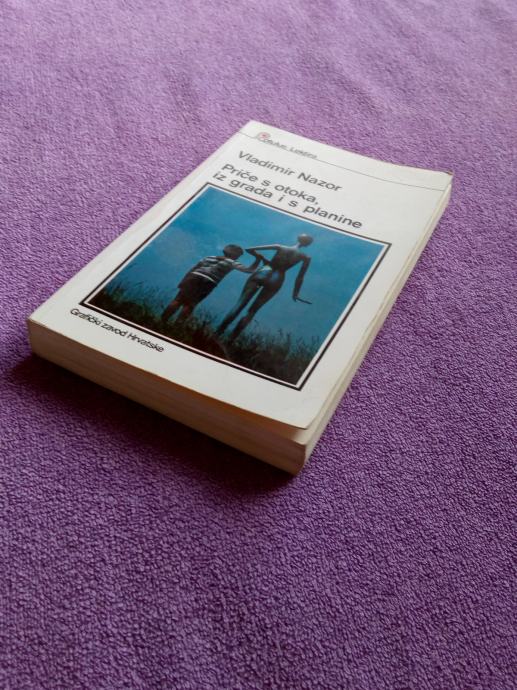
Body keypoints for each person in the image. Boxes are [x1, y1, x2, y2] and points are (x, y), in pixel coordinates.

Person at [216, 234, 313, 340]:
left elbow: (249, 249)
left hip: (265, 270)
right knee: (252, 312)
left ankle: (217, 333)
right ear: (308, 245)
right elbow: (300, 277)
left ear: (298, 239)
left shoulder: (280, 247)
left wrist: (262, 258)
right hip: (277, 277)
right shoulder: (305, 257)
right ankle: (230, 340)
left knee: (240, 304)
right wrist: (295, 294)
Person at [161, 244, 262, 323]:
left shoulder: (209, 257)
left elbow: (194, 268)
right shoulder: (231, 262)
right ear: (234, 254)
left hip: (193, 277)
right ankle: (177, 324)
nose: (238, 257)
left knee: (178, 300)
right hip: (208, 282)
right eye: (238, 255)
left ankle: (163, 320)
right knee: (190, 304)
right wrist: (258, 259)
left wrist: (184, 280)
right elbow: (249, 270)